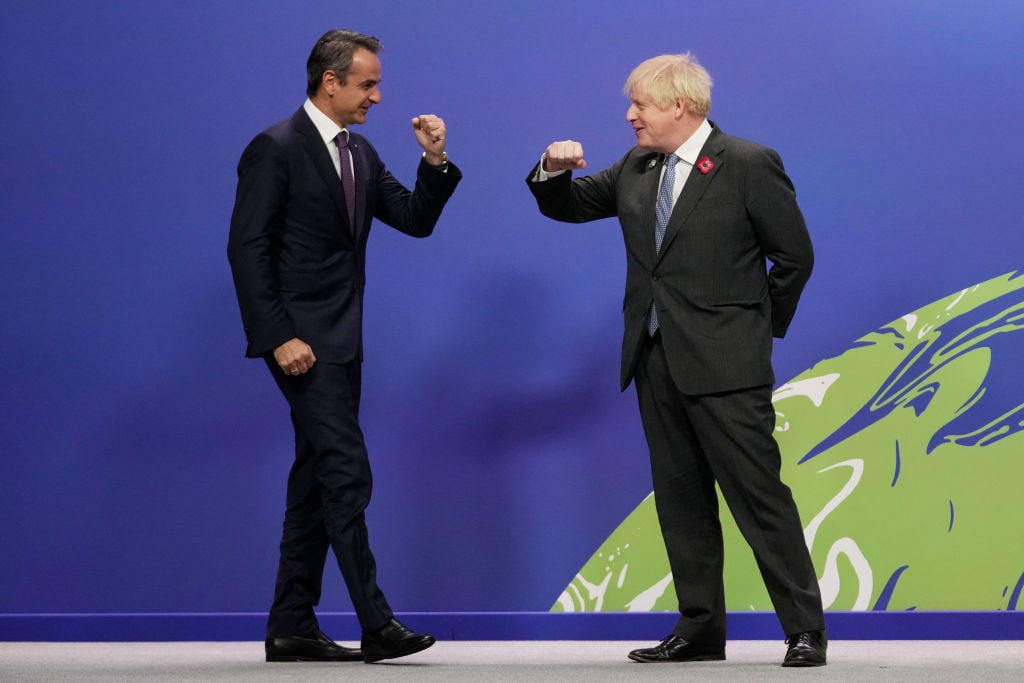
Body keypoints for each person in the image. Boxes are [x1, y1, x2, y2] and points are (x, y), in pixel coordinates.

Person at [526, 53, 826, 667]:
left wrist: (750, 331)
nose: (630, 116)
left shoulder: (747, 163)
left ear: (679, 106)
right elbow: (566, 206)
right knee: (680, 500)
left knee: (759, 497)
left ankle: (804, 630)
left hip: (728, 366)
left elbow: (794, 258)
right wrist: (550, 170)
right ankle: (699, 629)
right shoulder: (638, 167)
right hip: (654, 359)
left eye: (640, 104)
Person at [228, 29, 461, 663]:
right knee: (346, 472)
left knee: (315, 479)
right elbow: (247, 251)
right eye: (367, 84)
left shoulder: (359, 150)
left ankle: (291, 625)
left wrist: (434, 162)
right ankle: (377, 623)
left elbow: (413, 219)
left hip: (343, 340)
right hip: (300, 344)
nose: (377, 97)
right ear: (330, 82)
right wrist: (279, 336)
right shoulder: (274, 149)